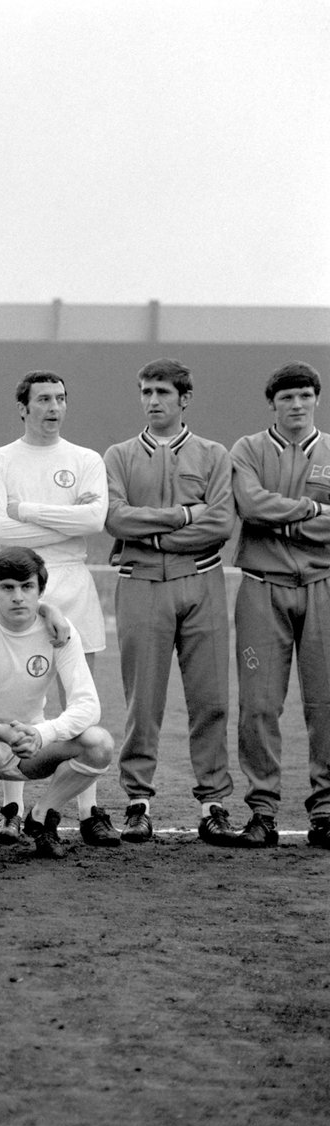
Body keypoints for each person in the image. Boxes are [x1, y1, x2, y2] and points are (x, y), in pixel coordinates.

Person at [104, 359, 239, 845]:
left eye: (162, 391)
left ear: (185, 398)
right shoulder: (119, 455)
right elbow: (117, 519)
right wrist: (183, 515)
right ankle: (137, 802)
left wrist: (155, 536)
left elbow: (220, 524)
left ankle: (213, 803)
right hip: (139, 585)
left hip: (202, 584)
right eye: (145, 391)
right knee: (144, 702)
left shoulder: (213, 454)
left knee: (211, 700)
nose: (153, 400)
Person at [0, 371, 112, 845]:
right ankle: (11, 810)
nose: (53, 407)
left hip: (74, 582)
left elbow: (94, 520)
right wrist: (62, 521)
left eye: (61, 398)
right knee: (15, 700)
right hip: (17, 582)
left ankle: (89, 811)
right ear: (23, 407)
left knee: (80, 702)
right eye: (43, 400)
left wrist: (26, 511)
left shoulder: (86, 459)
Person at [0, 548, 116, 860]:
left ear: (41, 591)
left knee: (99, 743)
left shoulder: (59, 630)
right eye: (8, 587)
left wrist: (43, 733)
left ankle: (42, 817)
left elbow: (88, 704)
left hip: (30, 748)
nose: (18, 596)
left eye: (27, 587)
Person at [230, 361, 330, 850]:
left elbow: (268, 512)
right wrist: (313, 512)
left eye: (305, 396)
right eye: (287, 397)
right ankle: (263, 812)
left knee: (326, 703)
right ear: (273, 403)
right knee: (259, 704)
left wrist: (279, 516)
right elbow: (250, 507)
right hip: (261, 586)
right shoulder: (247, 450)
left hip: (323, 585)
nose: (297, 405)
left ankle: (327, 810)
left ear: (316, 399)